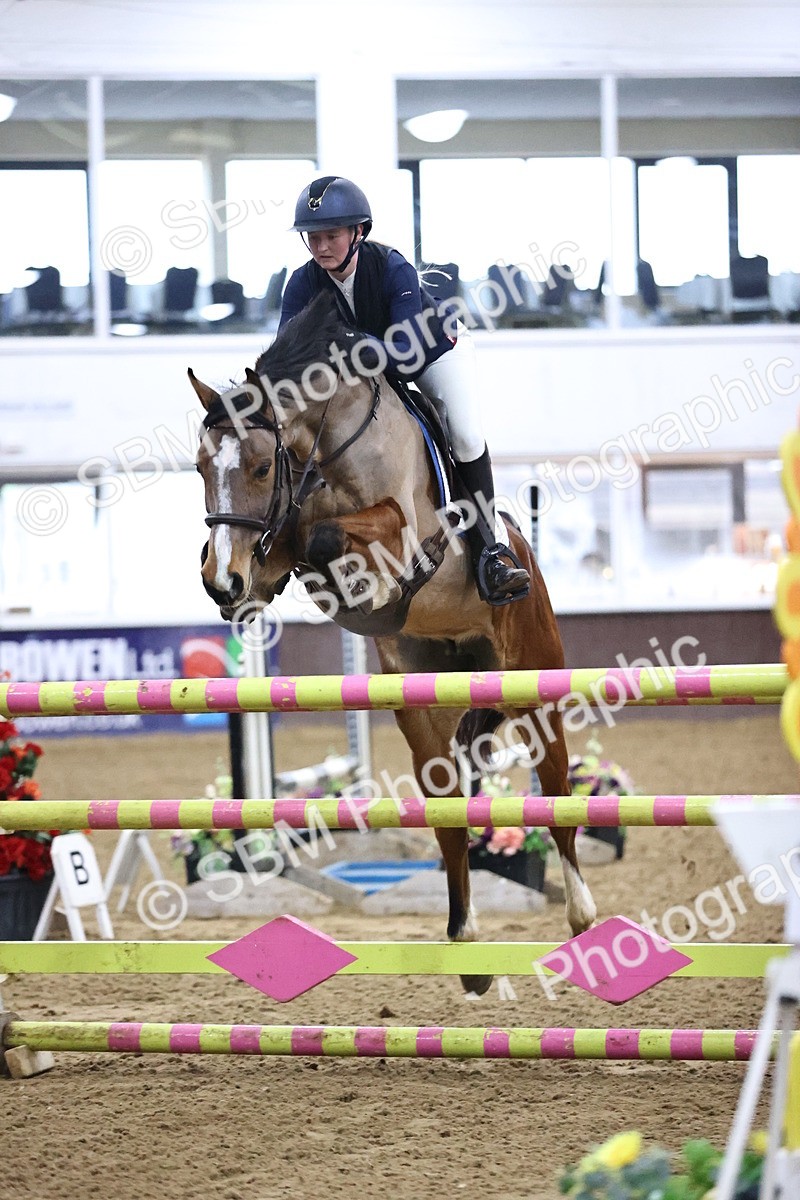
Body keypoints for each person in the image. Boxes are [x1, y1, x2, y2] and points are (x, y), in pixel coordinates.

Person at [279, 174, 530, 607]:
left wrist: (355, 343)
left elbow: (406, 356)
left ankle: (492, 550)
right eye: (313, 237)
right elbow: (287, 359)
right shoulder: (302, 284)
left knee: (466, 434)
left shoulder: (393, 267)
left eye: (332, 235)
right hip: (366, 375)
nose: (321, 246)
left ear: (359, 232)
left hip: (433, 354)